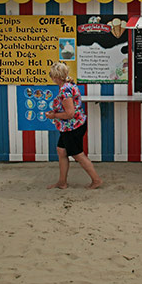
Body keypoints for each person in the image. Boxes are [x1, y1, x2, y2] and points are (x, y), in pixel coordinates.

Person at [46, 62, 102, 190]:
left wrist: (54, 115)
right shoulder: (69, 85)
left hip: (72, 127)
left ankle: (96, 180)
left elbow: (69, 114)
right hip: (72, 125)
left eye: (51, 75)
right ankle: (62, 182)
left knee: (78, 154)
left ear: (56, 77)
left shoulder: (65, 90)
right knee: (61, 151)